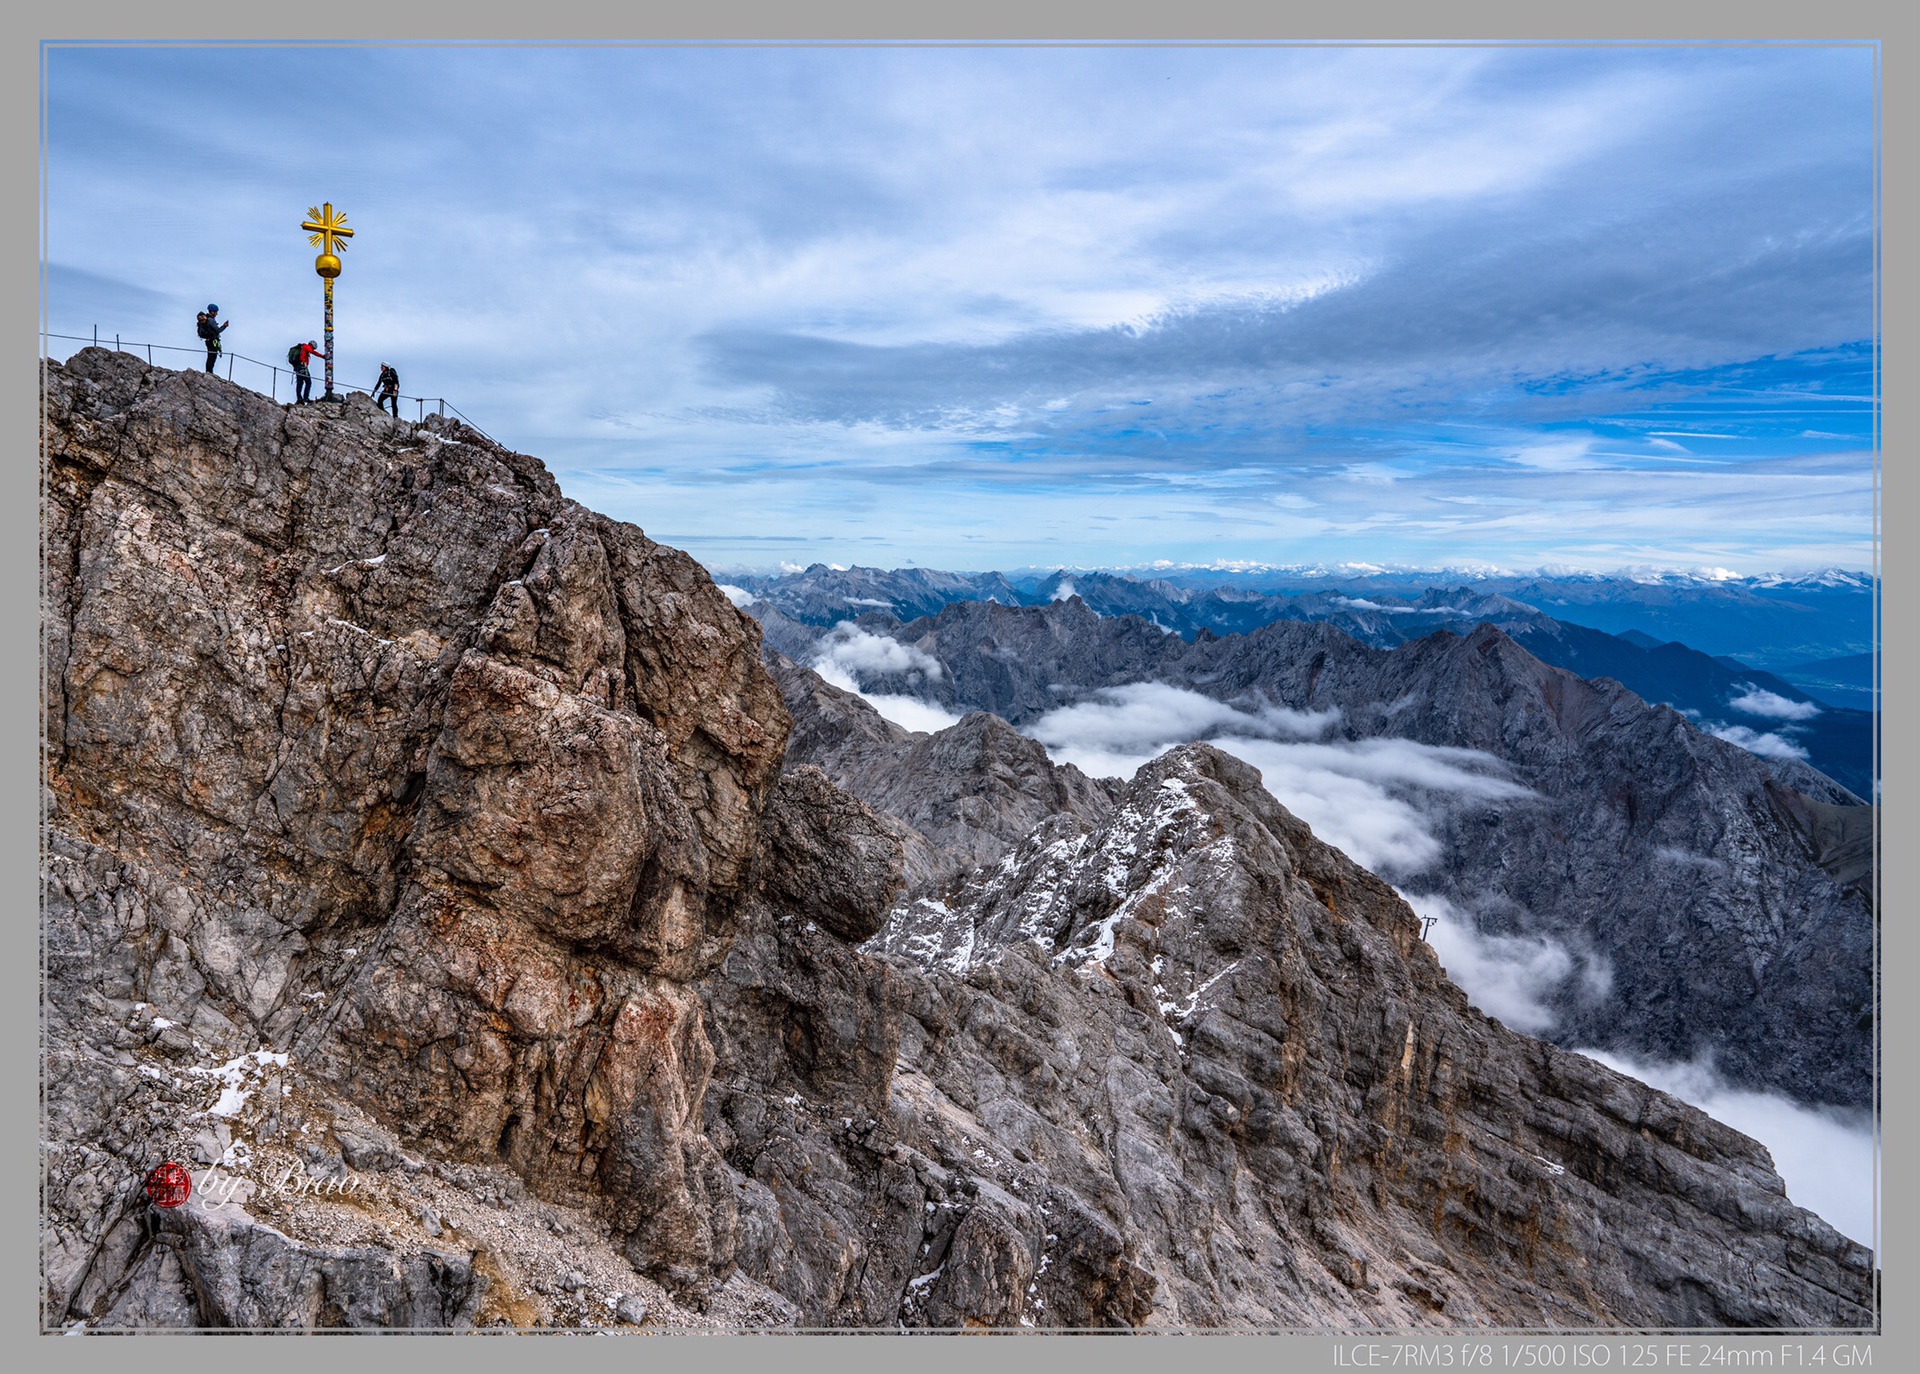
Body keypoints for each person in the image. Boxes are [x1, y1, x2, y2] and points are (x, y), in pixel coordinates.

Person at [288, 339, 329, 405]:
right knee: (308, 382)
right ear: (312, 346)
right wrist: (322, 356)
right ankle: (305, 398)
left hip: (298, 367)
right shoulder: (307, 347)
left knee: (300, 383)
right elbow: (313, 352)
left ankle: (299, 398)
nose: (313, 349)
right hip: (303, 367)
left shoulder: (303, 347)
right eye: (313, 348)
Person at [196, 304, 230, 373]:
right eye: (216, 312)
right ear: (212, 312)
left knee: (210, 356)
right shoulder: (211, 320)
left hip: (208, 341)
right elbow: (218, 330)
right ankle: (209, 372)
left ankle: (208, 371)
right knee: (212, 357)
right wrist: (224, 326)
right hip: (213, 341)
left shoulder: (206, 320)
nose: (217, 314)